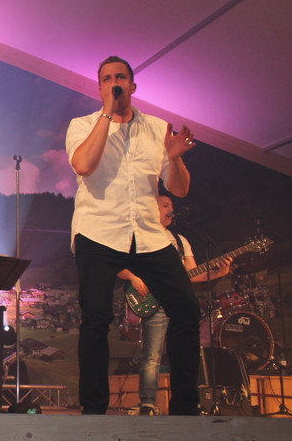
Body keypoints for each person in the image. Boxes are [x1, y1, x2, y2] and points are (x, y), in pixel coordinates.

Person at [67, 55, 202, 415]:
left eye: (121, 77)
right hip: (98, 231)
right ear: (99, 88)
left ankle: (186, 409)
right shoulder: (83, 125)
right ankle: (94, 410)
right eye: (107, 79)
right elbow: (83, 165)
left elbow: (180, 189)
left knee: (186, 309)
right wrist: (107, 115)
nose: (115, 83)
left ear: (133, 85)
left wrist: (175, 158)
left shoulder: (157, 127)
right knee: (96, 316)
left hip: (147, 234)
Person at [118, 195, 231, 415]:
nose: (171, 209)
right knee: (152, 354)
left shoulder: (180, 241)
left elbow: (192, 274)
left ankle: (185, 403)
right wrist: (133, 278)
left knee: (185, 352)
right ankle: (148, 403)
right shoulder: (139, 236)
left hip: (179, 301)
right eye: (165, 205)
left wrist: (219, 272)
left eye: (171, 205)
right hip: (156, 302)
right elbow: (116, 263)